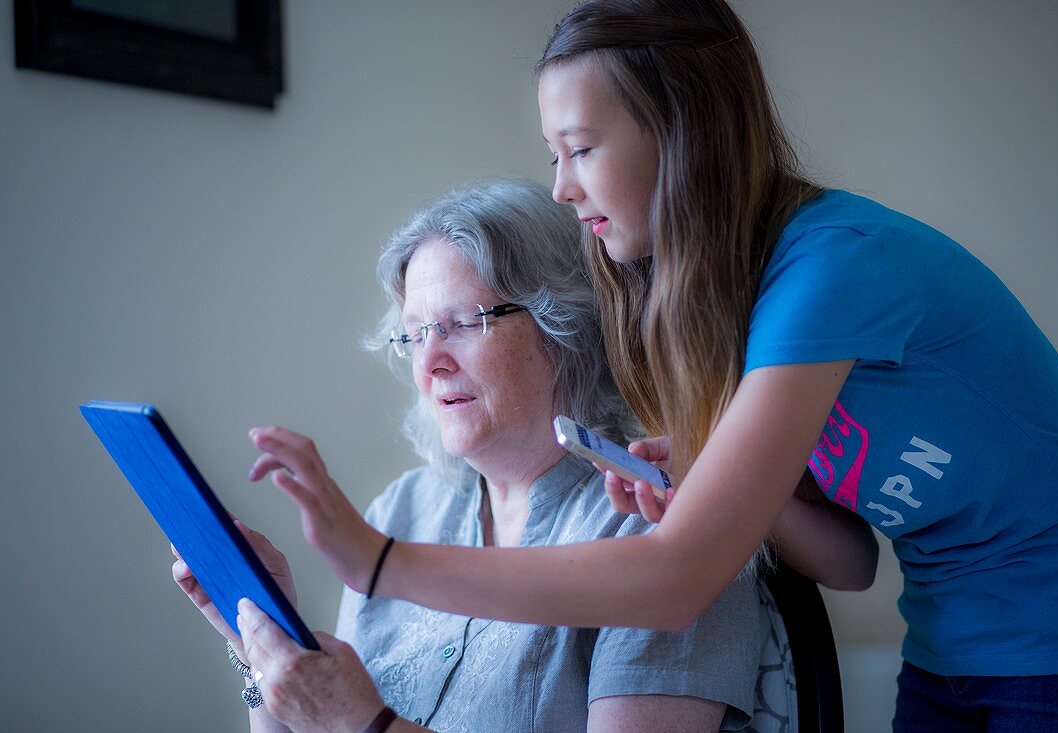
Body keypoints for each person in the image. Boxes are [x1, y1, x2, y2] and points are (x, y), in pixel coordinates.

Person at [247, 2, 1058, 731]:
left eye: (580, 149)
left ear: (682, 133)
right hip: (951, 642)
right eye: (553, 154)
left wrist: (378, 562)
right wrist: (703, 481)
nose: (561, 188)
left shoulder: (832, 271)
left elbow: (678, 580)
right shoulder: (726, 303)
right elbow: (849, 560)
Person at [174, 177, 812, 733]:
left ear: (562, 326)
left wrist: (361, 721)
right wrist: (265, 650)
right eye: (415, 333)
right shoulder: (400, 511)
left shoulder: (661, 522)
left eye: (461, 323)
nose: (430, 362)